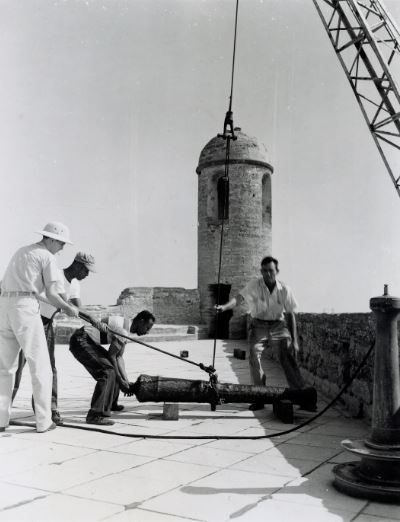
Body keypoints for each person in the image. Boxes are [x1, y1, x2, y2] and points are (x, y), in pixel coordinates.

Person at [0, 222, 79, 433]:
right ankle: (44, 421)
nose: (62, 248)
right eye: (61, 243)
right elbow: (53, 295)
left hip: (5, 306)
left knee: (4, 368)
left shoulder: (22, 252)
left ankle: (0, 421)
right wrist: (68, 308)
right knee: (41, 366)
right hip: (25, 309)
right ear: (51, 239)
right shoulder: (47, 257)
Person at [12, 251, 96, 425]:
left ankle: (51, 408)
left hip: (47, 324)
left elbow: (78, 309)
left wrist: (96, 320)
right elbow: (60, 301)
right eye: (86, 270)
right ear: (78, 265)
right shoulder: (55, 274)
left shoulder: (74, 285)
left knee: (50, 368)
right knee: (17, 368)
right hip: (29, 321)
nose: (87, 275)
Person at [216, 255, 305, 411]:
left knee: (287, 356)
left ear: (276, 271)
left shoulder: (285, 289)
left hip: (278, 326)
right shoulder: (254, 285)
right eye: (264, 271)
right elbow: (239, 298)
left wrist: (295, 340)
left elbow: (291, 315)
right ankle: (259, 396)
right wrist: (224, 307)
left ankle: (301, 396)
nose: (268, 274)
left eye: (271, 271)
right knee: (254, 355)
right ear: (261, 272)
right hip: (259, 326)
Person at [69, 310, 155, 425]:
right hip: (80, 340)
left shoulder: (126, 328)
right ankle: (95, 415)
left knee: (112, 369)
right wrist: (121, 381)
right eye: (147, 327)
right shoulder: (123, 330)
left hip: (87, 340)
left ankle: (111, 404)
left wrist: (126, 382)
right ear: (141, 321)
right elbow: (112, 356)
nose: (147, 332)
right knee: (107, 371)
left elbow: (119, 357)